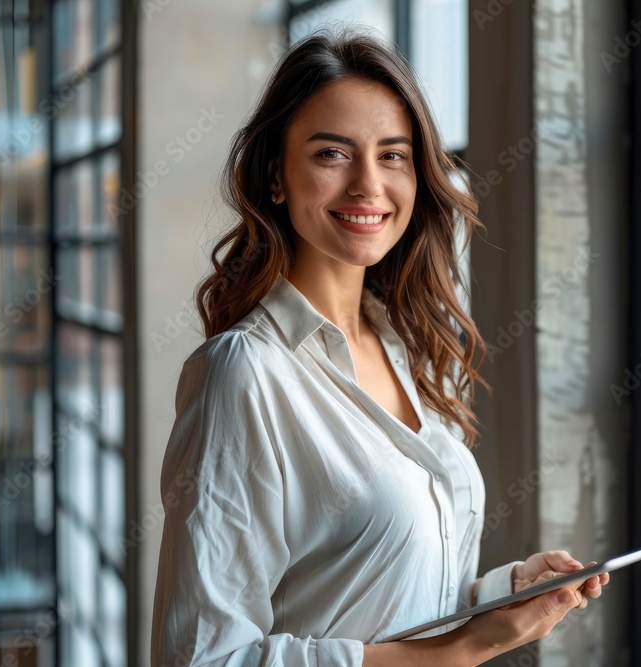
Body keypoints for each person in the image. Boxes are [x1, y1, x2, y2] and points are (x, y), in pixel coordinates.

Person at [150, 25, 609, 667]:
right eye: (331, 154)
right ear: (276, 177)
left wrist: (501, 595)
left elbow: (386, 601)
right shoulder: (244, 374)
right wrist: (466, 649)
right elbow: (204, 658)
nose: (368, 184)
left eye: (393, 155)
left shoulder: (407, 346)